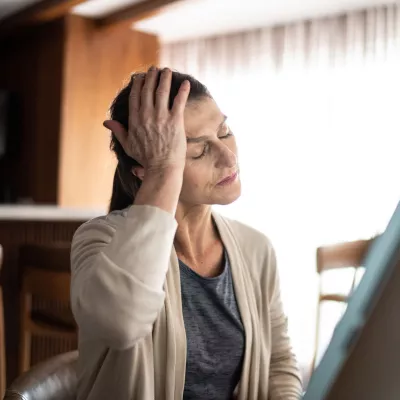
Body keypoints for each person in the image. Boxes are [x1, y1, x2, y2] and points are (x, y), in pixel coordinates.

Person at [70, 66, 303, 400]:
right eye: (197, 150)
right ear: (143, 170)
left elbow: (277, 361)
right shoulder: (98, 241)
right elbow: (120, 325)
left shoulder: (256, 248)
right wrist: (163, 170)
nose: (228, 157)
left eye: (224, 132)